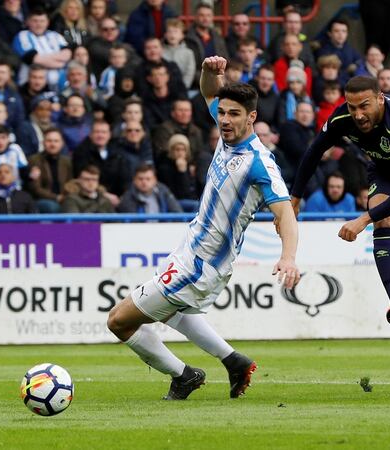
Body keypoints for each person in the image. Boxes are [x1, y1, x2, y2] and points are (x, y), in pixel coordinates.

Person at [106, 56, 300, 400]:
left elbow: (285, 214)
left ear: (251, 117)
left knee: (119, 321)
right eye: (222, 113)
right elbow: (210, 94)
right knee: (177, 313)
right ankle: (234, 361)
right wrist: (209, 73)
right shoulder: (227, 135)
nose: (223, 119)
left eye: (233, 114)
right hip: (189, 250)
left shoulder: (260, 164)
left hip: (201, 264)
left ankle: (184, 376)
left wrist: (288, 257)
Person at [290, 76, 390, 381]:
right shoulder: (343, 117)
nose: (358, 115)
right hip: (387, 174)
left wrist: (361, 219)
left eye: (364, 106)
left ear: (380, 98)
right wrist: (295, 198)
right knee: (383, 219)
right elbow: (314, 152)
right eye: (352, 107)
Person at [27, 128, 73, 213]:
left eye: (56, 141)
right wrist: (56, 197)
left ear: (62, 143)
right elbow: (35, 188)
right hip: (42, 200)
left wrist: (66, 197)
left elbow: (71, 182)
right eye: (49, 141)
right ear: (43, 143)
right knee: (52, 207)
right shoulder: (34, 160)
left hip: (64, 199)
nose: (53, 144)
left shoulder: (67, 162)